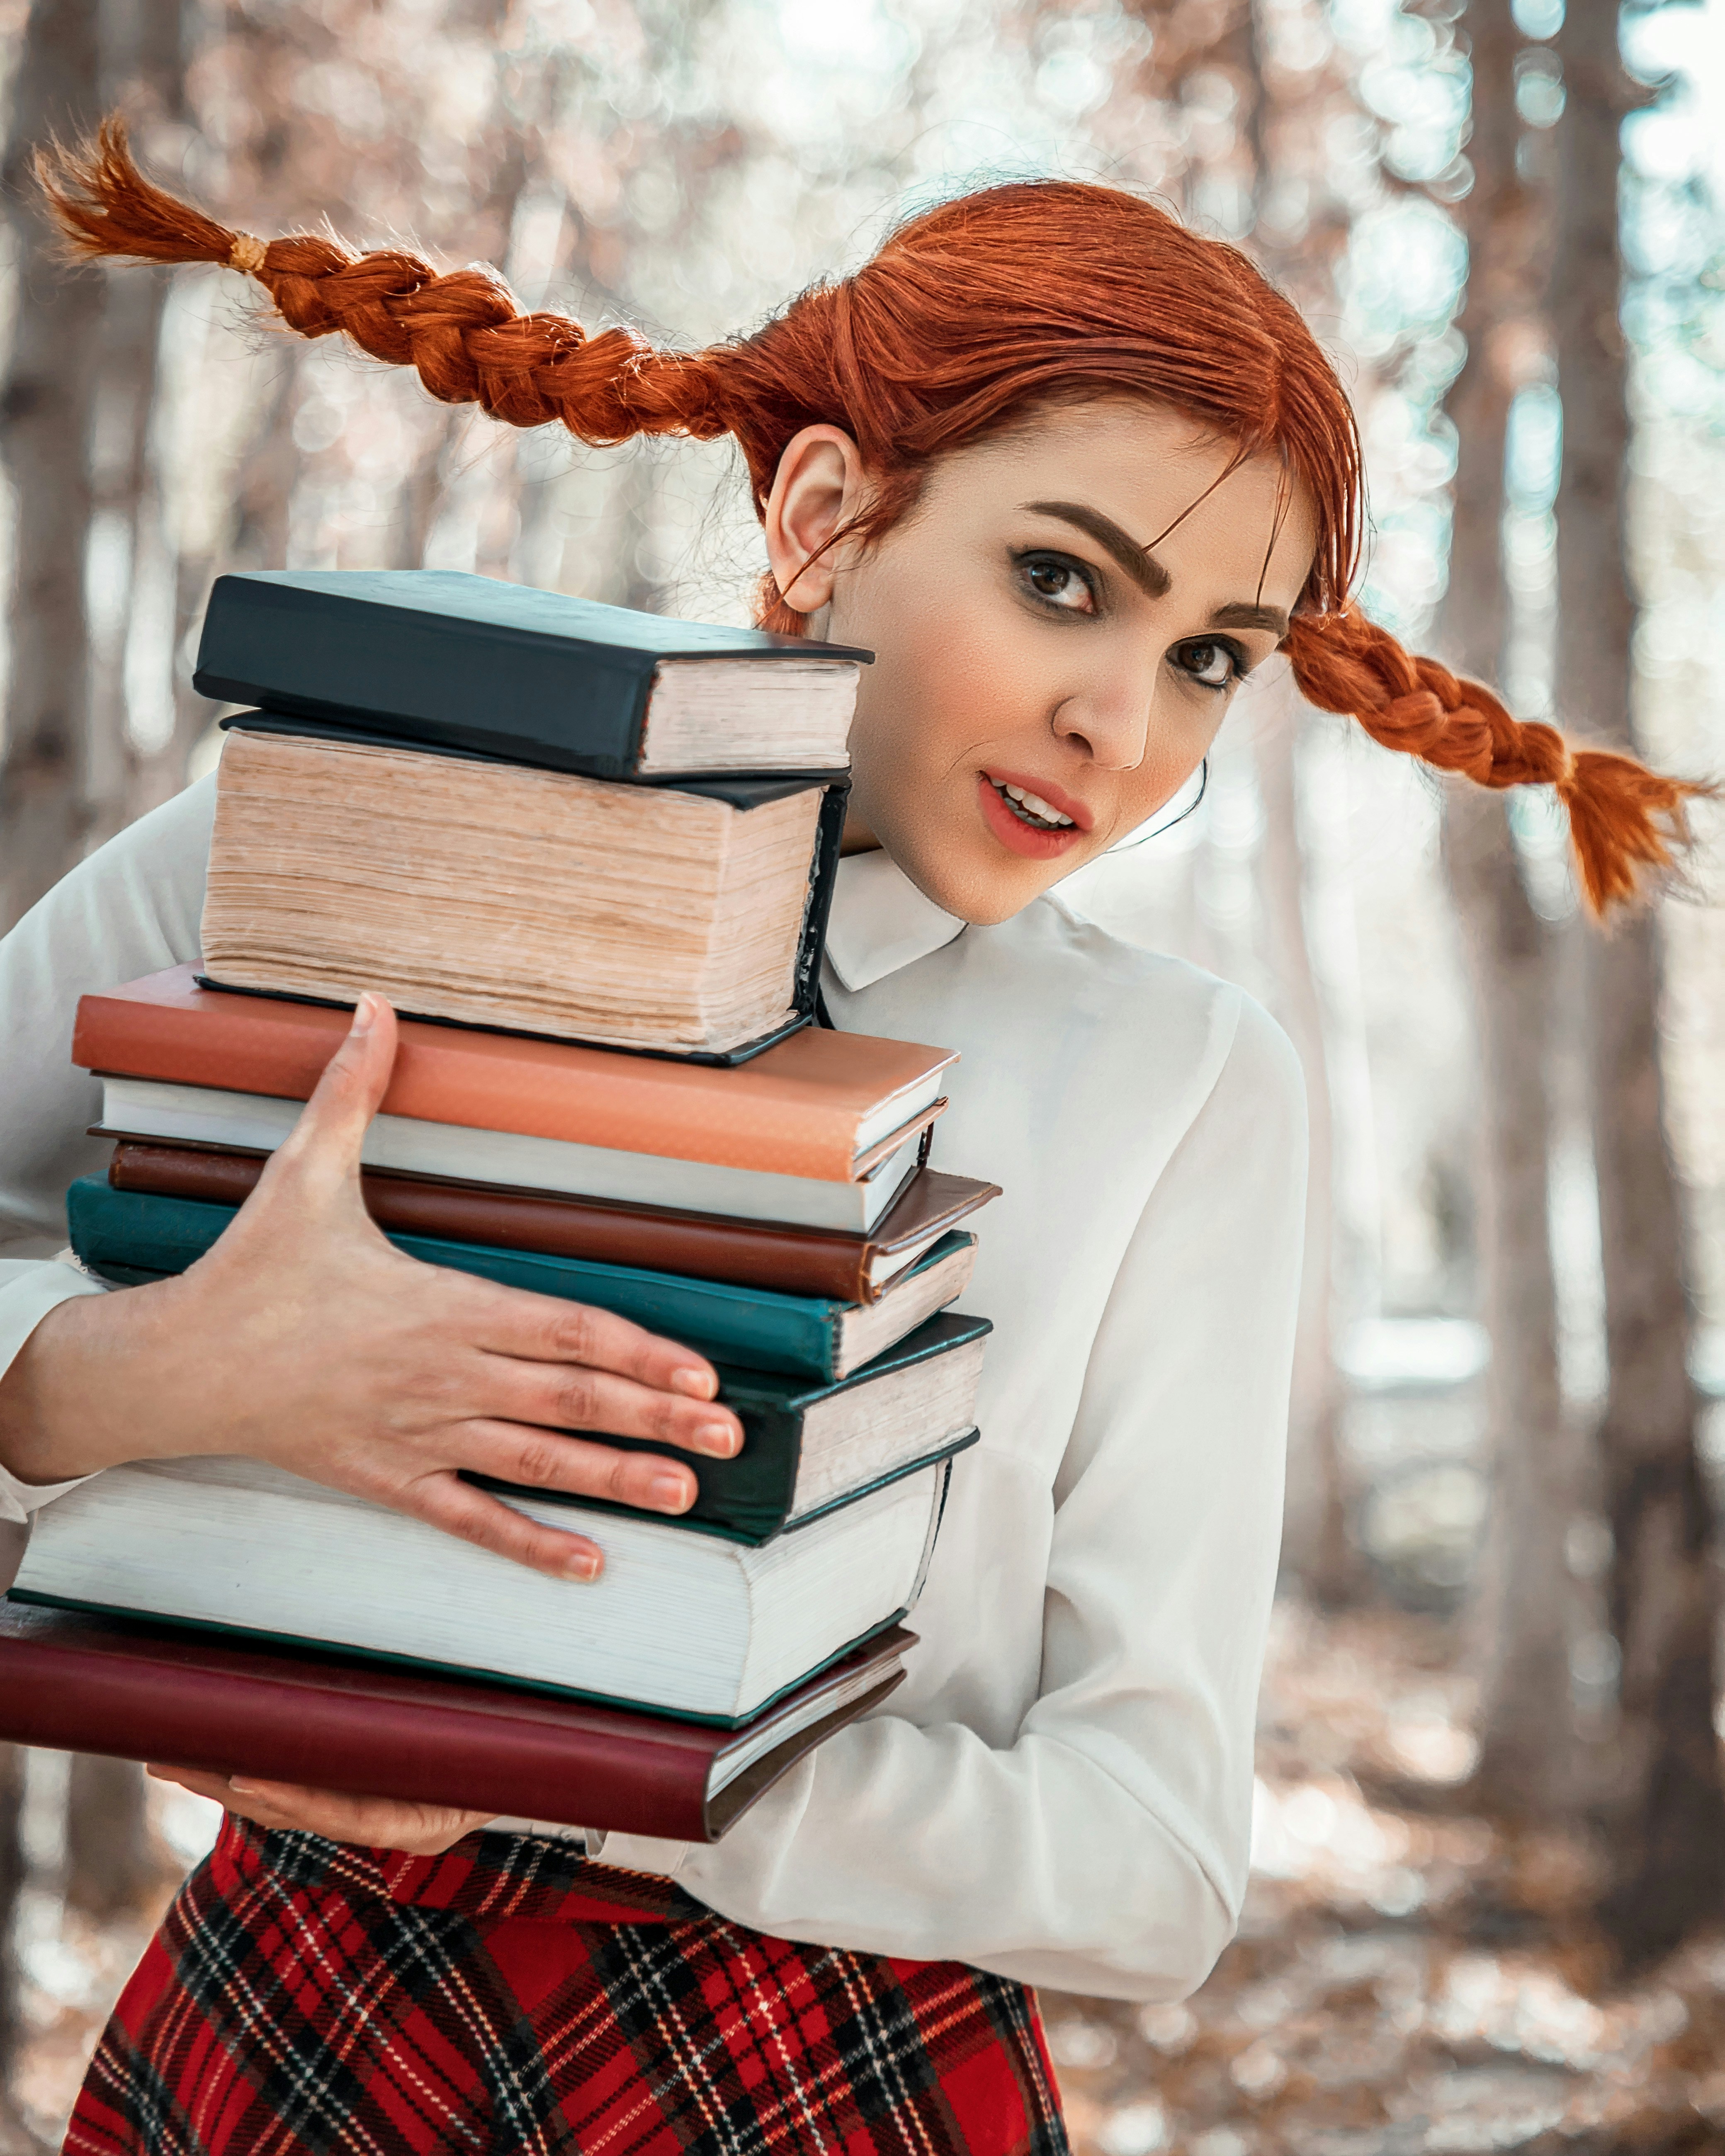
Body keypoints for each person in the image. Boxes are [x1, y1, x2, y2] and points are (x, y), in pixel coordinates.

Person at [0, 123, 1696, 2155]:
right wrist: (119, 1372)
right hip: (299, 2017)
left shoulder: (1179, 1082)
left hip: (820, 2069)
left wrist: (578, 1751)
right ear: (820, 508)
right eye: (1061, 582)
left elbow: (1151, 1858)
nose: (1120, 727)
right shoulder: (328, 845)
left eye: (1207, 661)